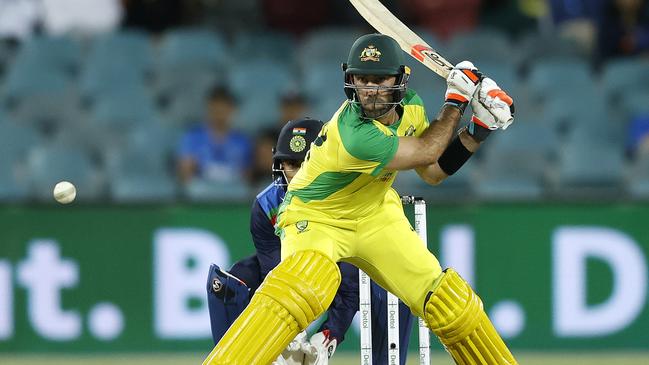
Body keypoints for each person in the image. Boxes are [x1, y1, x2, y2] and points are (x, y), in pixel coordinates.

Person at [203, 33, 517, 365]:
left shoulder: (411, 108)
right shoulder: (353, 133)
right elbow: (428, 149)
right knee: (304, 283)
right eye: (362, 79)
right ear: (350, 79)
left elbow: (434, 170)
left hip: (376, 214)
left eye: (379, 79)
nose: (370, 89)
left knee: (450, 304)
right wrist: (457, 99)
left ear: (399, 79)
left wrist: (479, 128)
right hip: (317, 217)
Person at [206, 117, 414, 365]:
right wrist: (290, 334)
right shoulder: (266, 205)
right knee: (229, 282)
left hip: (342, 268)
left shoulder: (349, 196)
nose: (297, 174)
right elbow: (276, 271)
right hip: (296, 271)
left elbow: (350, 279)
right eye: (290, 164)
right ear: (279, 164)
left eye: (305, 162)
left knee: (384, 283)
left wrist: (329, 335)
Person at [176, 85, 253, 186]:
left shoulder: (243, 141)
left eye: (223, 110)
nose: (219, 115)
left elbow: (247, 178)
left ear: (232, 110)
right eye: (215, 110)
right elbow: (185, 175)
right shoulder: (193, 137)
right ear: (208, 109)